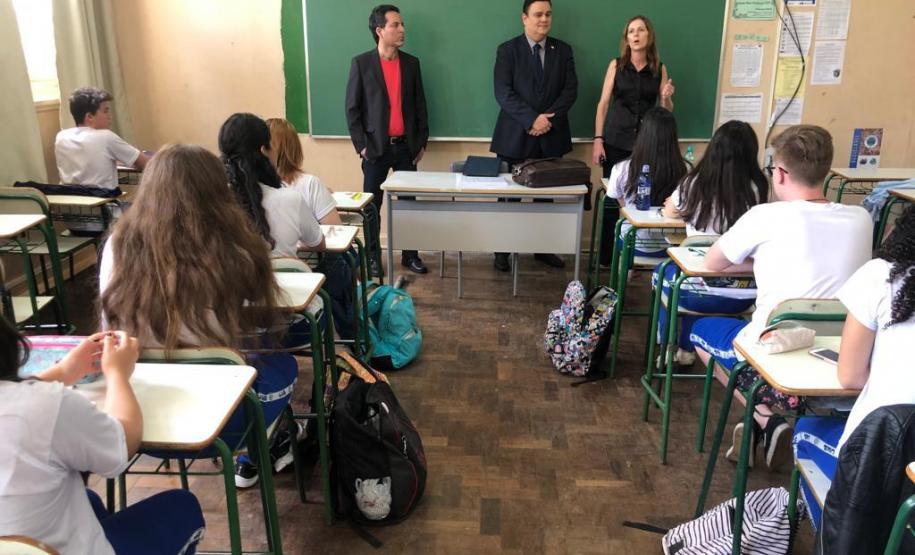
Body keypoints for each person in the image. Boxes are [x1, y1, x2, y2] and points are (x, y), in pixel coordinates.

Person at [98, 144, 297, 488]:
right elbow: (260, 319)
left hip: (134, 415)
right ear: (219, 191)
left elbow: (108, 331)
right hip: (224, 421)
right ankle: (261, 448)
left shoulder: (118, 244)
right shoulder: (235, 248)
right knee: (281, 361)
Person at [689, 125, 872, 471]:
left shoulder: (765, 217)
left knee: (701, 333)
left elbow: (711, 263)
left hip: (773, 356)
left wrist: (761, 258)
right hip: (840, 357)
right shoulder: (861, 218)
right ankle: (773, 423)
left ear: (782, 174)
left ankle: (765, 419)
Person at [0, 318, 206, 555]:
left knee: (89, 500)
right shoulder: (47, 404)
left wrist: (66, 371)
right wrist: (118, 374)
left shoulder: (38, 403)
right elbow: (121, 445)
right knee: (181, 506)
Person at [792, 204, 915, 529]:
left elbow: (850, 375)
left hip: (881, 464)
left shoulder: (882, 277)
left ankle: (835, 537)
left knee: (805, 430)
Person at [655, 120, 768, 366]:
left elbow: (671, 212)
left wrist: (671, 206)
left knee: (664, 274)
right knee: (689, 282)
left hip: (696, 289)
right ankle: (687, 347)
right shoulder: (758, 187)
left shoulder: (693, 183)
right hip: (745, 293)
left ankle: (668, 345)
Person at [489, 0, 578, 272]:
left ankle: (543, 249)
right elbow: (503, 92)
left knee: (546, 200)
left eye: (548, 14)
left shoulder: (562, 50)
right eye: (538, 14)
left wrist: (545, 121)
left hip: (551, 136)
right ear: (524, 18)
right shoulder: (508, 50)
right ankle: (503, 251)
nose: (544, 19)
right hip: (515, 136)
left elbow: (570, 90)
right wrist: (532, 119)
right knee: (508, 199)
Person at [345, 4, 429, 274]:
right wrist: (362, 146)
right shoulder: (362, 63)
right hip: (376, 149)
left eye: (402, 24)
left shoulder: (412, 63)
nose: (402, 29)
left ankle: (410, 254)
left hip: (406, 147)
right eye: (396, 25)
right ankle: (372, 257)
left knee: (408, 204)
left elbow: (420, 105)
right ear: (380, 30)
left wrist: (421, 142)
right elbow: (352, 109)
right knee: (372, 206)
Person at [592, 15, 674, 265]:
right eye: (631, 31)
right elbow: (603, 103)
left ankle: (637, 256)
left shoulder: (659, 68)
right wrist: (598, 139)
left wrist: (668, 97)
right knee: (611, 200)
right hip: (616, 139)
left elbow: (665, 111)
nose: (636, 35)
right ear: (626, 38)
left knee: (644, 200)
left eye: (641, 30)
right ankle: (607, 258)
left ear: (649, 36)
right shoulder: (617, 65)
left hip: (647, 143)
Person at [266, 117, 357, 339]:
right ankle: (349, 332)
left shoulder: (248, 192)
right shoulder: (308, 185)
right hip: (304, 274)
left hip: (273, 281)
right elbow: (335, 231)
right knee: (347, 258)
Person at [605, 106, 686, 257]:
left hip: (632, 243)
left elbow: (622, 204)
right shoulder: (684, 169)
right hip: (671, 247)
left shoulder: (621, 168)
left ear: (643, 133)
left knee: (622, 224)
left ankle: (626, 270)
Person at [55, 86, 150, 188]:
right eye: (105, 111)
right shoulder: (106, 137)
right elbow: (146, 163)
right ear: (89, 117)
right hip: (104, 202)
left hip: (71, 201)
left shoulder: (61, 137)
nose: (110, 116)